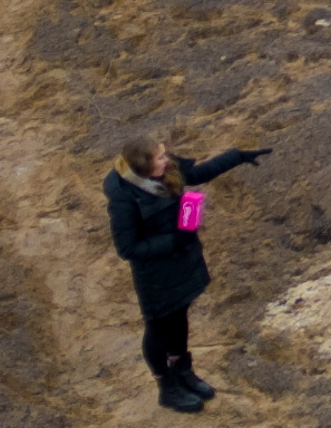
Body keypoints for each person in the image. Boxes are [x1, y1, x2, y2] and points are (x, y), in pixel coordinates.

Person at [103, 133, 265, 412]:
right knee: (158, 327)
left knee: (179, 318)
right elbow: (127, 248)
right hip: (155, 276)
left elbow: (198, 173)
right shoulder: (124, 198)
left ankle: (183, 372)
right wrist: (174, 241)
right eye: (161, 157)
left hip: (183, 263)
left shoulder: (166, 170)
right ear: (144, 166)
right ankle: (166, 386)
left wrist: (237, 156)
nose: (167, 160)